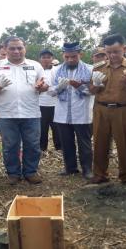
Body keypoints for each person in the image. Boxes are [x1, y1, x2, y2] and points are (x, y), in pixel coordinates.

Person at [0, 36, 48, 185]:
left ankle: (30, 172)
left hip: (31, 113)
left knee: (32, 144)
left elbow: (45, 85)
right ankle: (13, 173)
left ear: (25, 48)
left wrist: (41, 86)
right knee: (10, 145)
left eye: (20, 48)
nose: (16, 51)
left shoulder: (35, 65)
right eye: (12, 48)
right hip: (7, 114)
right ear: (5, 49)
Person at [90, 34, 126, 186]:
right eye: (108, 52)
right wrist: (96, 84)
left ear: (125, 49)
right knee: (99, 143)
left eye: (116, 51)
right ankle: (99, 174)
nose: (112, 55)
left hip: (123, 110)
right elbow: (91, 90)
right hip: (101, 109)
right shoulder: (98, 67)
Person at [49, 42, 93, 179]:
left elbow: (92, 91)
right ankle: (70, 168)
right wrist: (59, 88)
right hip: (62, 114)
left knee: (84, 143)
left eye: (73, 56)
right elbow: (50, 92)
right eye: (67, 57)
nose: (70, 60)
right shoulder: (55, 70)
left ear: (80, 54)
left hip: (82, 113)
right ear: (63, 55)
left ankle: (87, 170)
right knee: (66, 143)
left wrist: (79, 86)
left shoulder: (90, 69)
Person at [39, 48, 61, 152]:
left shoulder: (57, 70)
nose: (46, 59)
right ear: (40, 59)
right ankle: (42, 148)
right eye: (44, 57)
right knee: (42, 129)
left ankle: (59, 148)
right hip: (40, 104)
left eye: (48, 57)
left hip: (55, 104)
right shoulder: (37, 70)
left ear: (52, 58)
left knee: (57, 128)